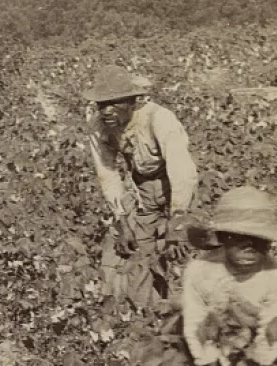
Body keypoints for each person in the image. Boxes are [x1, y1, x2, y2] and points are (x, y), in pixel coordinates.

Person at [83, 66, 200, 310]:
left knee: (179, 251)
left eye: (114, 104)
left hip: (177, 186)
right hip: (143, 188)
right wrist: (122, 221)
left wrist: (177, 221)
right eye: (101, 105)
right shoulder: (99, 127)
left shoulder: (158, 118)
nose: (106, 111)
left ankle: (187, 313)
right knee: (137, 252)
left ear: (132, 102)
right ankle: (148, 314)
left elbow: (181, 171)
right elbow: (108, 174)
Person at [180, 186, 277, 366]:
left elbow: (268, 338)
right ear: (222, 238)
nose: (249, 248)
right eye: (238, 239)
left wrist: (251, 361)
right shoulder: (200, 270)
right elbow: (195, 324)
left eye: (259, 240)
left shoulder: (276, 276)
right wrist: (207, 360)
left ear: (270, 242)